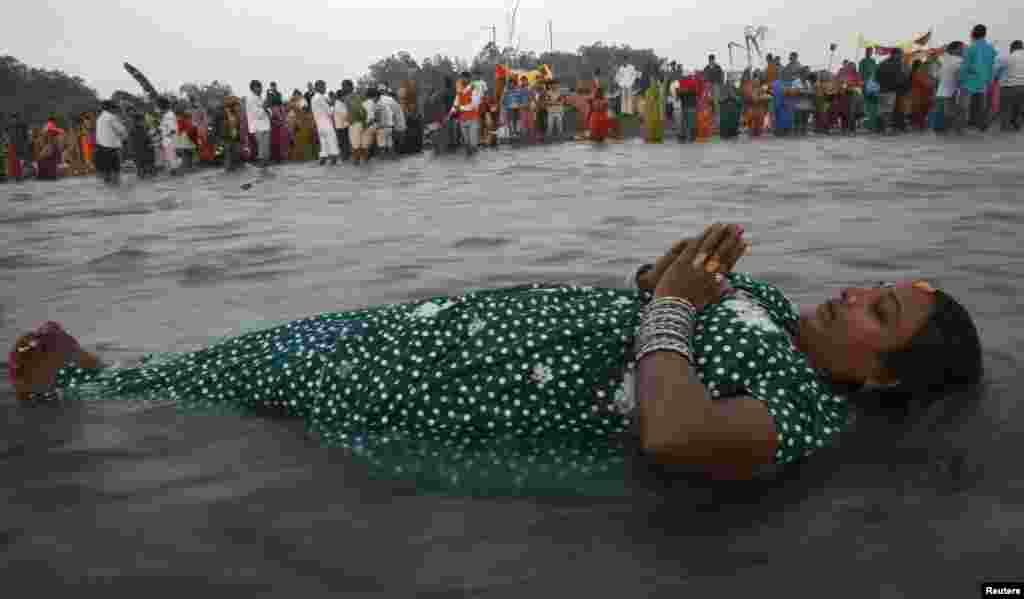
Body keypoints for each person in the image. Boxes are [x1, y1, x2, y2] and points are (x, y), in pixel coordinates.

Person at [8, 223, 984, 496]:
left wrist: (676, 308)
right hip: (432, 324)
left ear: (882, 376)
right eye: (872, 285)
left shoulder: (804, 409)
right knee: (250, 352)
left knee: (262, 387)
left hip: (440, 386)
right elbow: (655, 292)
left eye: (879, 311)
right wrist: (671, 272)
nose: (854, 292)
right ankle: (112, 374)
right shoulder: (767, 303)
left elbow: (678, 432)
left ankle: (80, 395)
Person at [961, 24, 997, 131]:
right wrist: (990, 81)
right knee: (981, 107)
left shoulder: (970, 48)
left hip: (969, 82)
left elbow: (965, 66)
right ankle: (981, 126)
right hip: (984, 82)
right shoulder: (990, 49)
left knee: (965, 108)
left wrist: (961, 80)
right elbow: (992, 67)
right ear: (985, 34)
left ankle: (966, 127)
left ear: (973, 33)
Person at [936, 42, 966, 135]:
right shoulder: (959, 61)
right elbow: (960, 77)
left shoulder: (943, 60)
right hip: (952, 92)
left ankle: (946, 132)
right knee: (957, 112)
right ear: (955, 49)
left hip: (941, 92)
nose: (963, 50)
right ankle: (958, 131)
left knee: (945, 115)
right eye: (961, 48)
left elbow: (937, 76)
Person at [877, 49, 909, 134]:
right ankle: (889, 129)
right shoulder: (897, 64)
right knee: (889, 110)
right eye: (900, 55)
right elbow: (901, 77)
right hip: (892, 90)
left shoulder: (882, 63)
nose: (901, 56)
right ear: (895, 55)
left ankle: (884, 128)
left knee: (885, 110)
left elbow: (877, 76)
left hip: (883, 89)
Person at [450, 74, 482, 156]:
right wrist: (451, 112)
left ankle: (475, 162)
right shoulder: (459, 90)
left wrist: (460, 108)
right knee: (467, 144)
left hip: (473, 119)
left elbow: (474, 105)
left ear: (469, 79)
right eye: (462, 78)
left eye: (464, 78)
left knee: (473, 144)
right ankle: (470, 162)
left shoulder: (475, 89)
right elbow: (456, 103)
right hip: (463, 120)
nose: (463, 80)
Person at [310, 81, 340, 166]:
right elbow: (329, 112)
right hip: (326, 125)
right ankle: (333, 165)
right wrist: (333, 104)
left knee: (324, 147)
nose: (325, 88)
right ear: (318, 87)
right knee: (332, 144)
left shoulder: (313, 98)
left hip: (319, 125)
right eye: (323, 87)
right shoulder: (321, 97)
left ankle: (322, 164)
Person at [998, 40, 1024, 132]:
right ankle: (1017, 126)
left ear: (1012, 48)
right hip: (1022, 86)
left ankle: (1005, 128)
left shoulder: (1008, 57)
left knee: (1006, 109)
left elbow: (997, 69)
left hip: (1009, 86)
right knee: (1020, 108)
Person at [245, 80, 272, 169]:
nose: (260, 89)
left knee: (266, 149)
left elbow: (269, 112)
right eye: (258, 87)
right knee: (262, 149)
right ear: (253, 88)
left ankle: (265, 168)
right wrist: (264, 107)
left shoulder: (260, 98)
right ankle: (261, 168)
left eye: (260, 87)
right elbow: (257, 114)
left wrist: (267, 109)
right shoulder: (250, 99)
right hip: (257, 127)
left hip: (265, 126)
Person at [346, 86, 370, 165]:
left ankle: (356, 162)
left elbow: (357, 109)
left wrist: (352, 119)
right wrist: (363, 121)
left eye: (344, 86)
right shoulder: (357, 96)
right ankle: (366, 163)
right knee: (362, 145)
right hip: (360, 123)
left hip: (355, 123)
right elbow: (363, 110)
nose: (343, 88)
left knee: (355, 145)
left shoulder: (349, 97)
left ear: (348, 87)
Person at [909, 60, 935, 132]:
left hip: (925, 96)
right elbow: (927, 84)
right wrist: (932, 82)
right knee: (920, 111)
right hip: (919, 96)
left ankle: (920, 125)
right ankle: (920, 125)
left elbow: (929, 84)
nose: (930, 68)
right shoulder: (918, 73)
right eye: (929, 67)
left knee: (923, 111)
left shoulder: (926, 74)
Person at [379, 89, 406, 157]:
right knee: (392, 142)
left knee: (389, 141)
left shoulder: (392, 104)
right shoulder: (396, 104)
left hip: (396, 127)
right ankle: (394, 154)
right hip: (399, 126)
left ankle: (390, 154)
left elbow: (392, 115)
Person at [129, 111, 156, 179]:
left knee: (140, 169)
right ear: (140, 120)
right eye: (143, 120)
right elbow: (146, 139)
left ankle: (142, 175)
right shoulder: (141, 129)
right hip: (144, 151)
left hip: (137, 152)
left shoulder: (132, 129)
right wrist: (151, 143)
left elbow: (131, 141)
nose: (144, 121)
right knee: (148, 169)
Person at [158, 98, 181, 176]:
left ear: (162, 106)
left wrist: (167, 139)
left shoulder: (169, 115)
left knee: (172, 161)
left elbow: (172, 130)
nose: (158, 107)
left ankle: (175, 174)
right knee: (171, 160)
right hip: (168, 140)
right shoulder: (166, 115)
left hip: (170, 140)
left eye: (159, 105)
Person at [334, 81, 353, 161]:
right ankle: (344, 157)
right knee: (343, 143)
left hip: (343, 126)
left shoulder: (341, 103)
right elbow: (345, 115)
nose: (345, 98)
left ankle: (346, 156)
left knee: (345, 142)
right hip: (341, 127)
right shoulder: (338, 104)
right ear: (340, 97)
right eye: (344, 97)